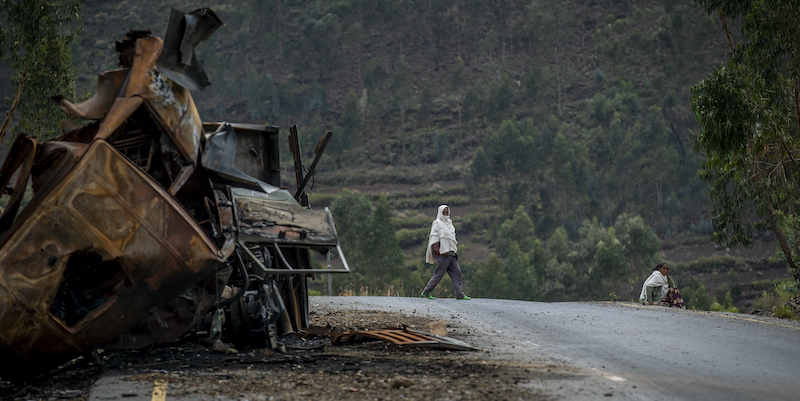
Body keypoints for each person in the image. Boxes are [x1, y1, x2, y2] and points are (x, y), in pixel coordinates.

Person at [421, 205, 471, 300]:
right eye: (444, 212)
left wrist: (454, 252)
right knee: (438, 275)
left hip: (452, 255)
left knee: (457, 274)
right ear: (440, 213)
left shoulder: (450, 223)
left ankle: (459, 294)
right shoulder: (437, 223)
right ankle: (425, 292)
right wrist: (439, 252)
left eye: (447, 212)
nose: (445, 214)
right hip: (443, 256)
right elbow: (434, 239)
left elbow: (452, 239)